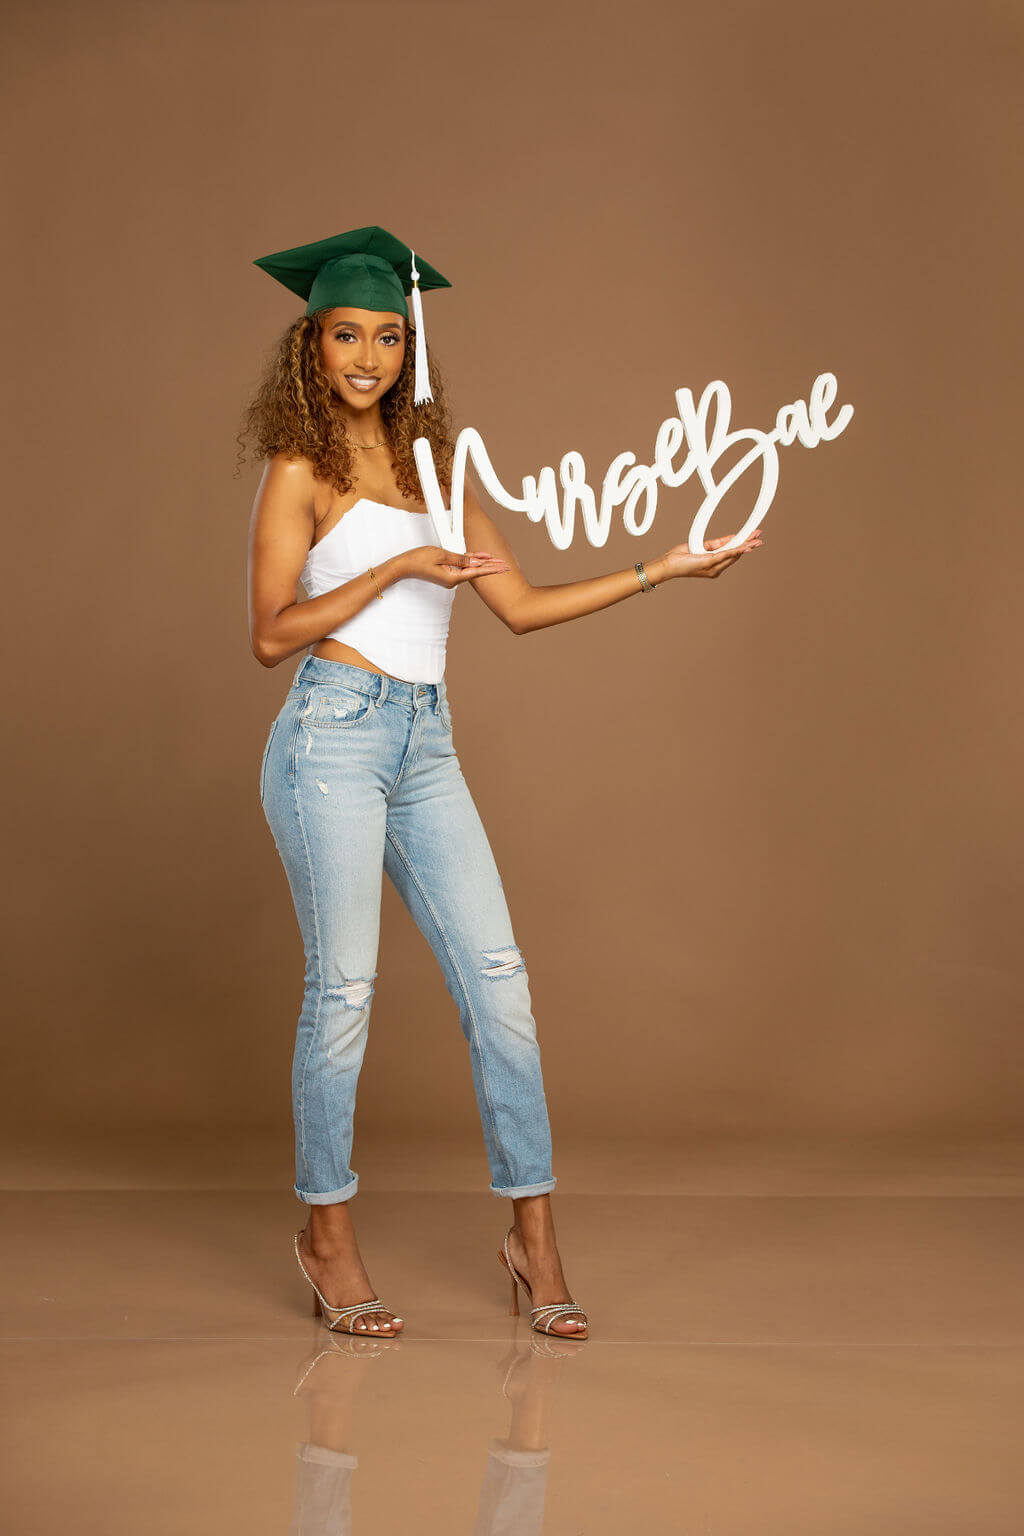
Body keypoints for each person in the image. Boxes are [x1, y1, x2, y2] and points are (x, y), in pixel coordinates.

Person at [241, 225, 762, 1341]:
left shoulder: (442, 474)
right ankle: (326, 1236)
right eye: (346, 335)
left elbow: (518, 608)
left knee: (500, 984)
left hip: (424, 743)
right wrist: (396, 565)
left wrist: (664, 569)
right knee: (345, 994)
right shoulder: (299, 472)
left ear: (410, 348)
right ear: (311, 346)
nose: (368, 357)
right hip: (330, 738)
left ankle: (532, 1238)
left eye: (389, 336)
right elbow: (271, 636)